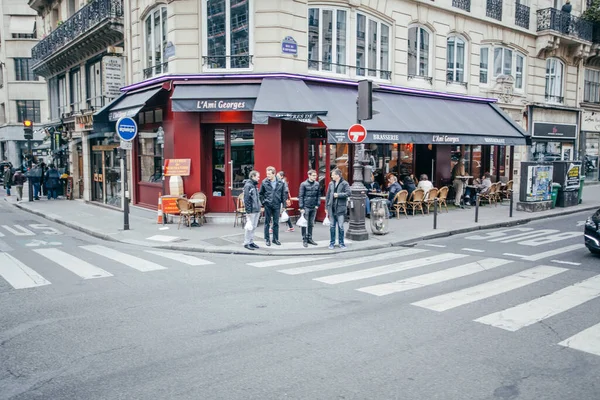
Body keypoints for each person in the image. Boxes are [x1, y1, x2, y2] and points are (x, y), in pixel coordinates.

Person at [259, 166, 288, 246]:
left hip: (277, 204)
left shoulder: (280, 182)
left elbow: (283, 195)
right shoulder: (264, 182)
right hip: (268, 204)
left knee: (276, 223)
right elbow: (260, 194)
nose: (267, 175)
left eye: (269, 174)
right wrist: (262, 204)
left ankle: (275, 239)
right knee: (267, 222)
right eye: (267, 173)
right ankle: (267, 239)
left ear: (274, 174)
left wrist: (284, 205)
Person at [325, 168, 351, 250]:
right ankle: (332, 243)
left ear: (337, 175)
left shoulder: (344, 183)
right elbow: (328, 196)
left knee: (340, 226)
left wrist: (338, 195)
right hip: (331, 208)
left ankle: (341, 243)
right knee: (332, 226)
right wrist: (326, 207)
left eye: (333, 174)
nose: (331, 176)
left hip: (340, 208)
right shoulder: (331, 184)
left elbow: (348, 193)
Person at [298, 169, 320, 247]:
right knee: (304, 223)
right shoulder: (303, 184)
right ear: (309, 175)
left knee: (311, 223)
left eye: (316, 175)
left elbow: (318, 195)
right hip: (306, 206)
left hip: (313, 206)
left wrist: (318, 204)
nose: (315, 177)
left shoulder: (317, 184)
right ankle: (304, 239)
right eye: (313, 175)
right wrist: (301, 207)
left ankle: (310, 238)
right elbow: (300, 196)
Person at [243, 170, 261, 251]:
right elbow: (246, 199)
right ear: (253, 176)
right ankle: (247, 243)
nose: (259, 178)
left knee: (253, 227)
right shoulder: (248, 186)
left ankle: (251, 241)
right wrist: (248, 211)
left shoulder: (254, 185)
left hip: (256, 209)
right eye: (257, 176)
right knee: (249, 227)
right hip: (252, 210)